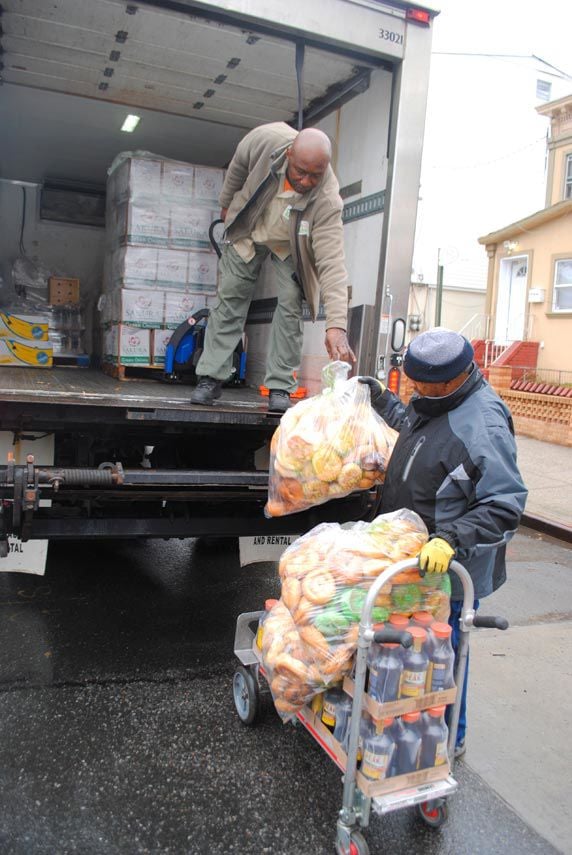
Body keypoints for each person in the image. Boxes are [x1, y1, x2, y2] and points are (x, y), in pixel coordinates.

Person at [360, 328, 527, 758]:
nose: (415, 390)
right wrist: (383, 400)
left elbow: (504, 504)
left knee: (445, 656)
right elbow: (416, 433)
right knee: (408, 650)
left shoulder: (484, 424)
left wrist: (450, 539)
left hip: (448, 570)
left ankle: (452, 739)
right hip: (411, 561)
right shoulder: (439, 401)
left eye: (421, 384)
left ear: (450, 380)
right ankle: (403, 719)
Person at [191, 122, 355, 413]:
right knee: (231, 296)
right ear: (290, 154)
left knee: (291, 304)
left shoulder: (328, 199)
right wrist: (226, 203)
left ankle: (280, 385)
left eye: (314, 176)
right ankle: (210, 377)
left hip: (289, 242)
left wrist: (336, 325)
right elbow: (239, 165)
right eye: (300, 172)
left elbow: (332, 263)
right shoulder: (267, 140)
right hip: (250, 227)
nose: (305, 181)